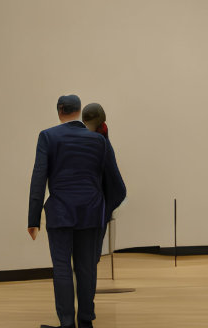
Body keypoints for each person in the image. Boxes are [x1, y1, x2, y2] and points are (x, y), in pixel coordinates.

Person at [28, 95, 125, 328]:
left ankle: (67, 322)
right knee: (86, 267)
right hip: (91, 211)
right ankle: (86, 320)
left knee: (62, 267)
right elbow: (114, 181)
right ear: (79, 111)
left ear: (60, 110)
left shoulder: (48, 137)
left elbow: (39, 177)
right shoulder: (98, 141)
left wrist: (33, 218)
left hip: (60, 211)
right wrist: (105, 208)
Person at [81, 103, 123, 263]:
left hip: (97, 201)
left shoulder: (100, 141)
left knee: (90, 251)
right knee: (89, 251)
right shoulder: (101, 138)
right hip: (95, 200)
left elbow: (111, 175)